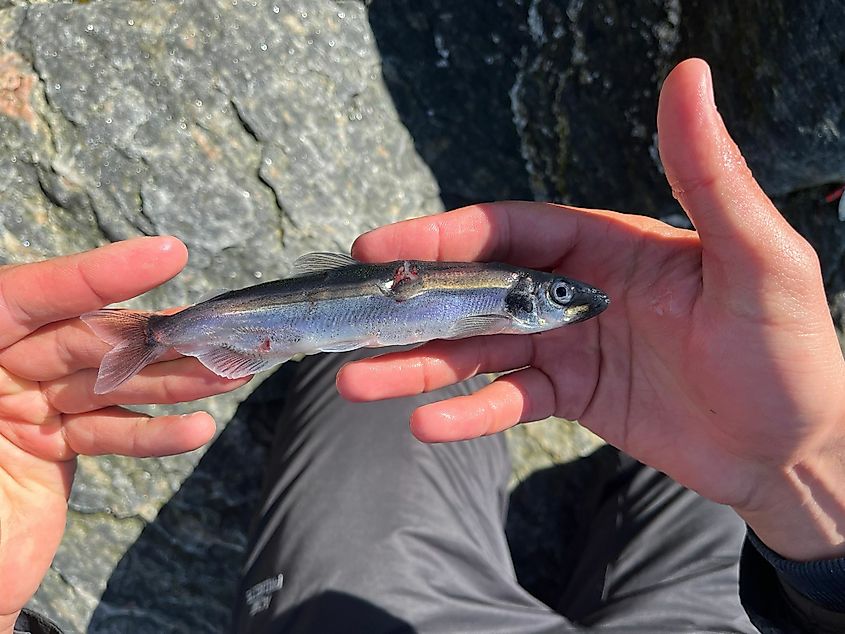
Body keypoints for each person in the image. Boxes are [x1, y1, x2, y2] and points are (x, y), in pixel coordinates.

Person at [2, 58, 844, 633]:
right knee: (708, 473)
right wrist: (799, 474)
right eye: (556, 298)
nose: (571, 303)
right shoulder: (527, 308)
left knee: (362, 390)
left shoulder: (522, 306)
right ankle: (716, 489)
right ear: (527, 296)